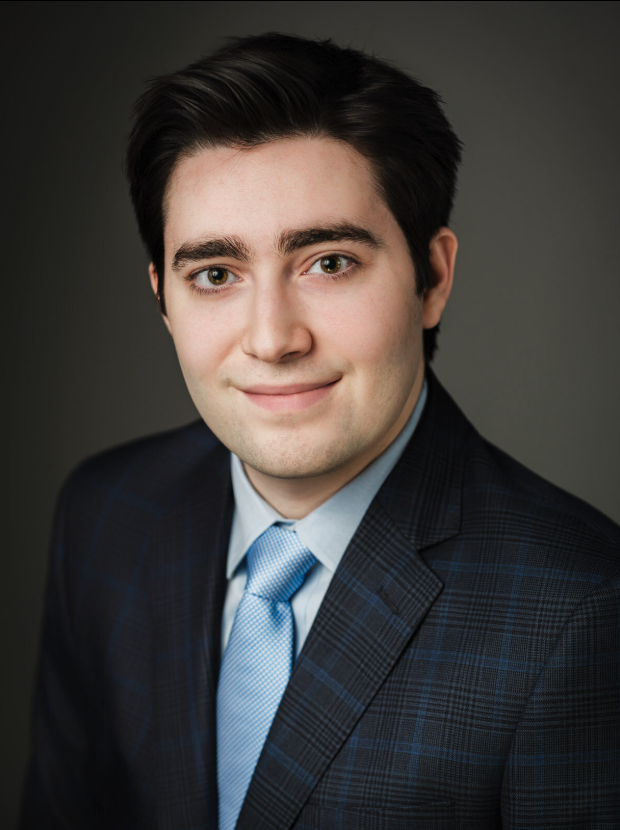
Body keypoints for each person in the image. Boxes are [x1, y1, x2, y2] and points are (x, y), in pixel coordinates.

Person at [20, 32, 620, 830]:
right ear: (164, 299)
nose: (272, 338)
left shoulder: (579, 609)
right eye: (215, 275)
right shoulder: (105, 515)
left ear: (432, 278)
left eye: (329, 262)